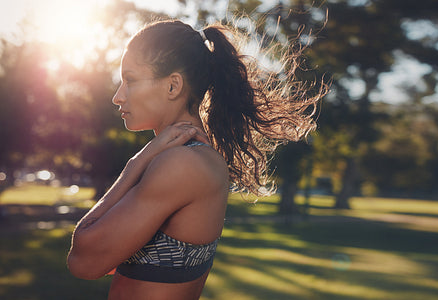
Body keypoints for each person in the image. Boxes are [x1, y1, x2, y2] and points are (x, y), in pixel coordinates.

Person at [67, 19, 325, 300]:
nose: (118, 96)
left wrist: (135, 164)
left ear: (172, 86)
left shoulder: (181, 164)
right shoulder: (191, 156)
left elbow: (83, 261)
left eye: (130, 80)